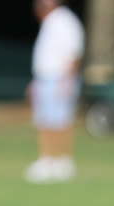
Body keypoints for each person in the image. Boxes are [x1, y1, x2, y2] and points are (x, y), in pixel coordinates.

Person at [26, 0, 83, 184]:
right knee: (45, 120)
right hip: (45, 78)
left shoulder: (65, 22)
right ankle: (48, 159)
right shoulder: (50, 23)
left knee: (59, 121)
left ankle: (61, 160)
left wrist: (68, 79)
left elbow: (73, 53)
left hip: (58, 77)